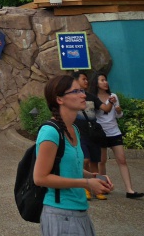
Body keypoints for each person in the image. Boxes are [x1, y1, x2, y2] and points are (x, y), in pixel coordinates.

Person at [33, 74, 112, 234]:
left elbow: (65, 165)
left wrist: (92, 176)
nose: (83, 95)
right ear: (60, 99)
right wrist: (86, 184)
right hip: (61, 214)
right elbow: (40, 178)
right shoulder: (50, 132)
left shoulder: (73, 129)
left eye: (82, 90)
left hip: (79, 211)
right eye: (76, 91)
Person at [91, 71, 143, 199]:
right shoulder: (93, 98)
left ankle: (129, 190)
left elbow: (119, 115)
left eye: (106, 80)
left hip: (114, 132)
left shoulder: (113, 96)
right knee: (102, 162)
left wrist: (118, 110)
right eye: (102, 80)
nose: (105, 82)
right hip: (101, 133)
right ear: (96, 83)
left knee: (122, 160)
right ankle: (103, 187)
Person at [73, 72, 105, 201]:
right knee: (85, 160)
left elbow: (105, 108)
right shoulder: (73, 97)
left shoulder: (91, 97)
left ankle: (97, 188)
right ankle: (85, 187)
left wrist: (112, 102)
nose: (86, 81)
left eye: (87, 79)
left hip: (93, 134)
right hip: (81, 135)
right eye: (83, 79)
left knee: (94, 163)